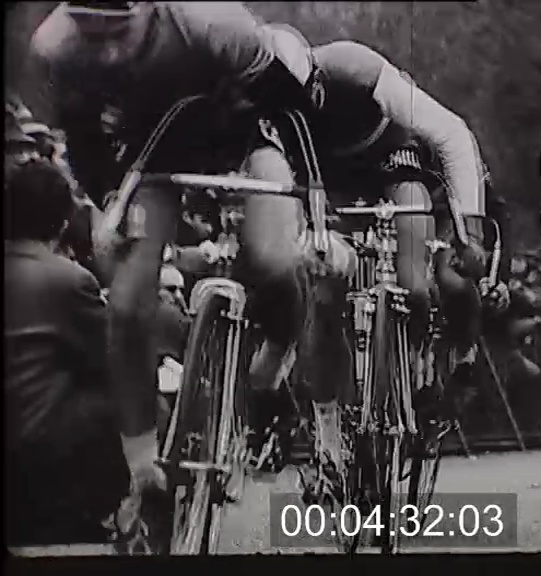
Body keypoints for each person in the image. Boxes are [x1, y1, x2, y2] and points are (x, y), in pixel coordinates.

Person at [28, 1, 328, 500]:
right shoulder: (55, 45)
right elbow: (84, 143)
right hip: (158, 147)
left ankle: (270, 372)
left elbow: (293, 110)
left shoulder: (212, 23)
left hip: (248, 133)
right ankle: (143, 469)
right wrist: (111, 203)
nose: (108, 52)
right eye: (92, 36)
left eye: (119, 32)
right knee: (127, 298)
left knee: (274, 261)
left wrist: (313, 202)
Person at [252, 28, 502, 473]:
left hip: (393, 163)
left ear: (318, 79)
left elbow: (451, 134)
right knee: (324, 296)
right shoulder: (261, 103)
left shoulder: (356, 69)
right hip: (326, 182)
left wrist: (472, 233)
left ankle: (415, 370)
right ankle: (328, 434)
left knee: (414, 283)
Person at [4, 156, 129, 546]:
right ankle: (99, 510)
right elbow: (111, 363)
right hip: (33, 451)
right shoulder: (69, 280)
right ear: (62, 223)